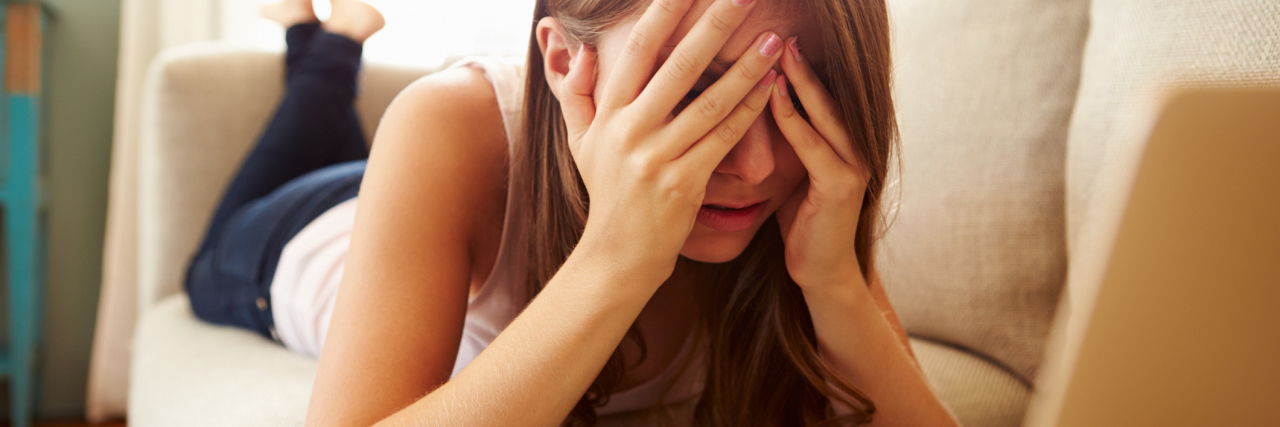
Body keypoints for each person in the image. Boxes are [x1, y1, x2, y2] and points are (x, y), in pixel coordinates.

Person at [187, 0, 958, 425]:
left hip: (410, 207)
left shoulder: (807, 189)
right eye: (693, 91)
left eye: (795, 93)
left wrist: (833, 281)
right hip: (291, 240)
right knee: (259, 189)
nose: (756, 166)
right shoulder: (446, 123)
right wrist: (619, 257)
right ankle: (326, 41)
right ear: (564, 63)